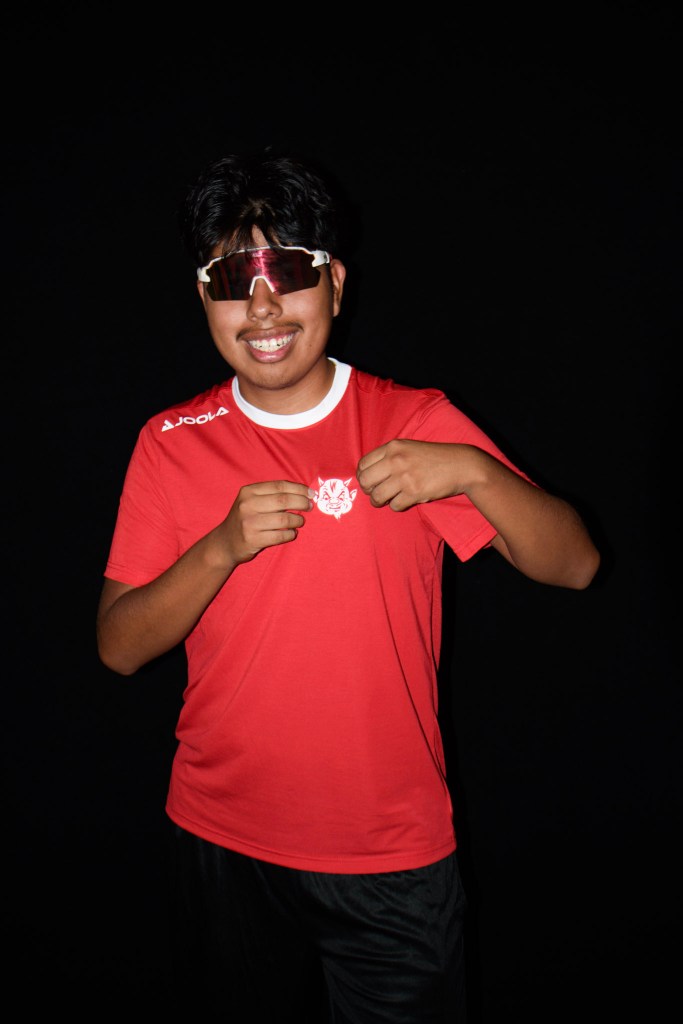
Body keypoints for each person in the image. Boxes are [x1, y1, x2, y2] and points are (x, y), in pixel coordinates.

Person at [96, 148, 600, 1022]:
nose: (262, 307)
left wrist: (474, 472)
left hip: (390, 855)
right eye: (232, 281)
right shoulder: (170, 441)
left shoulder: (416, 421)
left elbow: (576, 566)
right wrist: (219, 548)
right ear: (204, 299)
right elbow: (118, 648)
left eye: (288, 273)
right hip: (221, 839)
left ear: (333, 284)